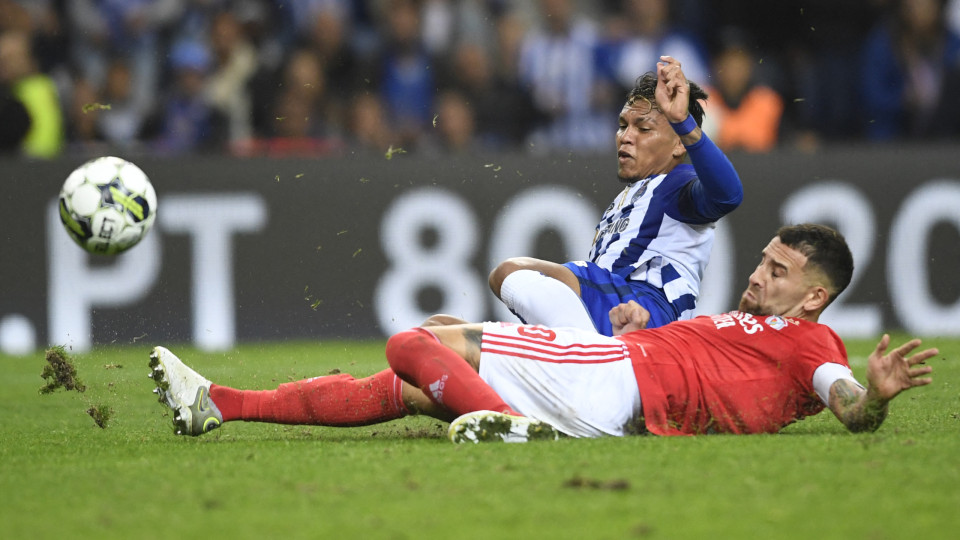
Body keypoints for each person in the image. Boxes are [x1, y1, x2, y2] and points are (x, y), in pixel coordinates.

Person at [148, 224, 937, 443]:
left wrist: (877, 397)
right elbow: (709, 356)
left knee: (412, 344)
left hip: (611, 378)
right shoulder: (758, 327)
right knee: (405, 386)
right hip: (614, 375)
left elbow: (847, 404)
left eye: (778, 271)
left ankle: (509, 427)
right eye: (764, 260)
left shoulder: (812, 346)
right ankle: (219, 402)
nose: (760, 275)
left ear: (815, 297)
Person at [488, 56, 743, 335]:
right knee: (445, 329)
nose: (626, 136)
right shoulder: (627, 198)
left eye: (644, 128)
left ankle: (581, 350)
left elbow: (727, 196)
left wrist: (683, 123)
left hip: (645, 313)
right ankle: (579, 353)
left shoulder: (675, 183)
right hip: (612, 309)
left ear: (678, 146)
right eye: (623, 125)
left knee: (511, 273)